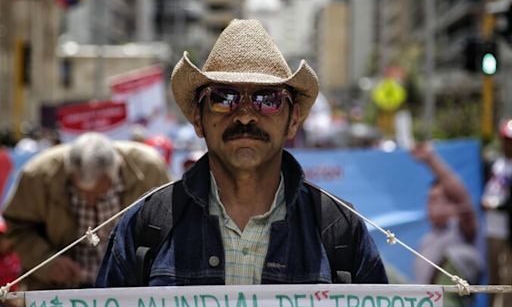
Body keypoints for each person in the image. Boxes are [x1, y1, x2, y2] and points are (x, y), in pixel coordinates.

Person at [95, 19, 388, 286]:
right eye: (224, 98)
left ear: (293, 120)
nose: (245, 116)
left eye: (267, 99)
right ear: (199, 119)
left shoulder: (340, 232)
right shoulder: (145, 227)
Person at [3, 132, 170, 290]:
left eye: (99, 195)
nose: (90, 202)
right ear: (70, 175)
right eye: (82, 194)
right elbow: (17, 227)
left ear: (113, 174)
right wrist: (47, 262)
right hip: (61, 292)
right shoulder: (38, 177)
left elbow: (171, 227)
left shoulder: (148, 170)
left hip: (130, 290)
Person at [411, 142, 482, 306]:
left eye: (436, 200)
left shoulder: (461, 231)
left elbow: (461, 197)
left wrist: (431, 159)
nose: (430, 206)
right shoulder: (426, 240)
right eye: (428, 200)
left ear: (452, 205)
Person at [481, 118, 512, 307]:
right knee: (493, 277)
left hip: (509, 233)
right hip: (492, 229)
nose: (507, 145)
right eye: (505, 140)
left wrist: (494, 206)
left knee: (508, 278)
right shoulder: (496, 163)